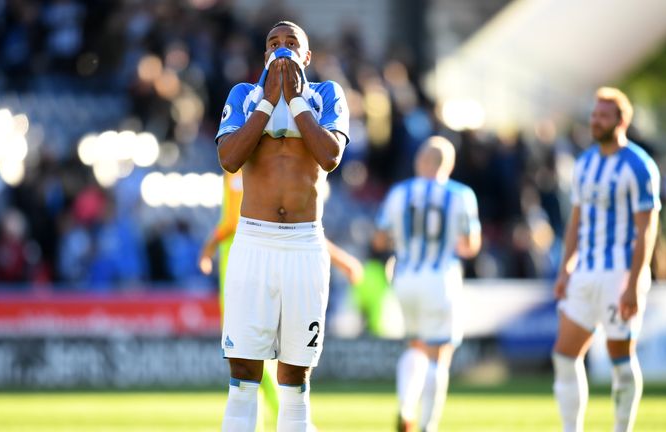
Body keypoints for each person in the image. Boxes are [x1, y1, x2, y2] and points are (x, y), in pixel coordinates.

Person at [213, 20, 350, 431]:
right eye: (275, 42)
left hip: (305, 247)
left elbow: (330, 157)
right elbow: (229, 158)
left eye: (292, 43)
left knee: (294, 379)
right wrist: (268, 103)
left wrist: (295, 101)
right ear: (265, 54)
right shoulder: (244, 95)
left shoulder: (326, 94)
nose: (283, 48)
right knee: (243, 377)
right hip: (254, 241)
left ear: (307, 56)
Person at [198, 169, 363, 431]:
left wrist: (207, 249)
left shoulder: (241, 165)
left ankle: (290, 420)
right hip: (267, 266)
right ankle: (288, 421)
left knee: (247, 361)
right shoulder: (264, 169)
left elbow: (231, 220)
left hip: (242, 271)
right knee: (274, 362)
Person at [552, 87, 660, 432]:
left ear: (621, 120)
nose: (595, 121)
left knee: (620, 359)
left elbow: (646, 230)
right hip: (585, 272)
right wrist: (565, 268)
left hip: (619, 274)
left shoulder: (640, 166)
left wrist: (634, 282)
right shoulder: (584, 163)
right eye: (594, 115)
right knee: (564, 356)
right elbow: (576, 221)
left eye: (602, 115)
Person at [373, 136, 481, 432]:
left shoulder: (400, 192)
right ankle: (427, 425)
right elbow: (471, 245)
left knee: (415, 344)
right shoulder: (461, 194)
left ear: (421, 162)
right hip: (441, 277)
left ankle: (406, 407)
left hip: (405, 276)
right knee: (439, 353)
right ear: (449, 164)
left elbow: (380, 239)